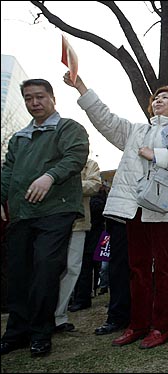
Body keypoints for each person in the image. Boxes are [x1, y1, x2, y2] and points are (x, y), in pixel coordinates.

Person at [63, 71, 168, 350]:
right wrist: (81, 86)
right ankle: (137, 324)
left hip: (165, 211)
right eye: (156, 98)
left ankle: (163, 326)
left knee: (165, 268)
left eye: (165, 97)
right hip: (133, 208)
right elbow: (105, 119)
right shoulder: (134, 131)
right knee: (136, 268)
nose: (158, 100)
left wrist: (156, 155)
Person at [0, 78, 89, 357]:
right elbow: (7, 172)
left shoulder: (69, 128)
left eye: (40, 97)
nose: (34, 103)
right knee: (18, 273)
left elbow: (76, 157)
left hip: (56, 211)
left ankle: (41, 332)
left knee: (45, 270)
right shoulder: (19, 138)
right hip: (21, 213)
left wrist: (49, 177)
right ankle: (16, 332)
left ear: (52, 98)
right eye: (28, 98)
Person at [54, 158, 101, 332]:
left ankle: (59, 315)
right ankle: (44, 313)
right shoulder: (57, 160)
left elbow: (94, 186)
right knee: (51, 267)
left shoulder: (91, 165)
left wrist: (67, 184)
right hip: (53, 221)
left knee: (73, 268)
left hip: (79, 222)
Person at [71, 184, 108, 312]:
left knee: (90, 267)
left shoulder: (97, 194)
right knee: (84, 267)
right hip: (92, 235)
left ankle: (83, 298)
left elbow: (98, 210)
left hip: (95, 236)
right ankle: (80, 297)